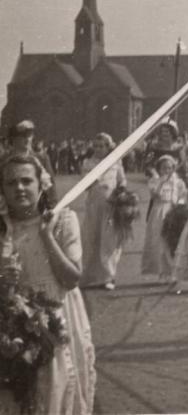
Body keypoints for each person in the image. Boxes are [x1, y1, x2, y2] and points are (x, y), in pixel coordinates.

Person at [0, 154, 96, 413]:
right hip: (13, 322)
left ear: (41, 184)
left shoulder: (63, 220)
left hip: (57, 320)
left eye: (26, 181)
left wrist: (46, 235)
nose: (19, 188)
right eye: (11, 183)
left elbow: (72, 278)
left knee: (55, 391)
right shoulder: (3, 229)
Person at [79, 133, 127, 290]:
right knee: (90, 238)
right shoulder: (87, 162)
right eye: (96, 146)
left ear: (108, 147)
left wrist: (121, 193)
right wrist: (91, 180)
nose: (98, 149)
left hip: (110, 206)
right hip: (94, 206)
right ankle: (89, 276)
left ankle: (108, 276)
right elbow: (84, 185)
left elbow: (122, 181)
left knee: (108, 240)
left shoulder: (116, 161)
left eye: (102, 146)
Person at [142, 155, 187, 284]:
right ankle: (162, 272)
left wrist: (179, 207)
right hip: (159, 212)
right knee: (159, 242)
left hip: (173, 213)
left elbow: (183, 196)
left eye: (169, 168)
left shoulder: (178, 182)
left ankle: (174, 272)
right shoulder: (155, 181)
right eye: (163, 168)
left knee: (173, 242)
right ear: (159, 169)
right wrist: (161, 182)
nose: (167, 171)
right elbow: (154, 194)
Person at [4, 120, 58, 200]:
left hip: (38, 206)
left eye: (29, 135)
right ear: (13, 139)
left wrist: (52, 207)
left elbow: (51, 187)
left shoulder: (42, 158)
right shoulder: (4, 160)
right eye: (22, 136)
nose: (27, 139)